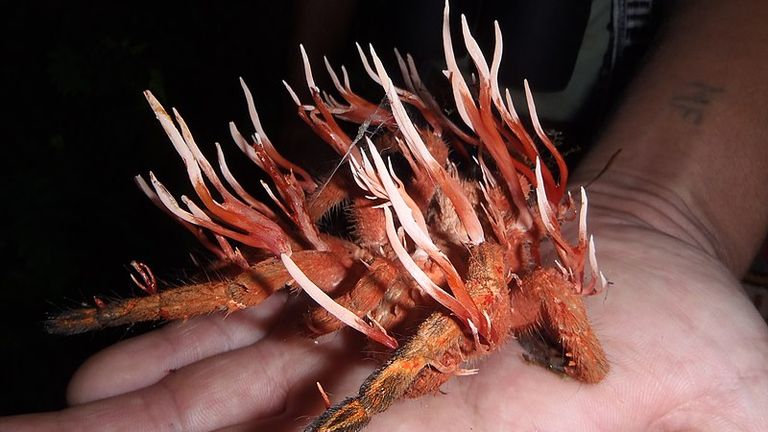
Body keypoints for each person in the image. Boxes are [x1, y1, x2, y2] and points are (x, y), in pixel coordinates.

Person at [2, 0, 767, 430]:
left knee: (489, 265)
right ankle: (101, 317)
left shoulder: (507, 271)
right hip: (414, 121)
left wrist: (594, 355)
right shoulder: (386, 225)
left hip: (522, 226)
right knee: (348, 226)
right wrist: (309, 191)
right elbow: (350, 204)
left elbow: (552, 291)